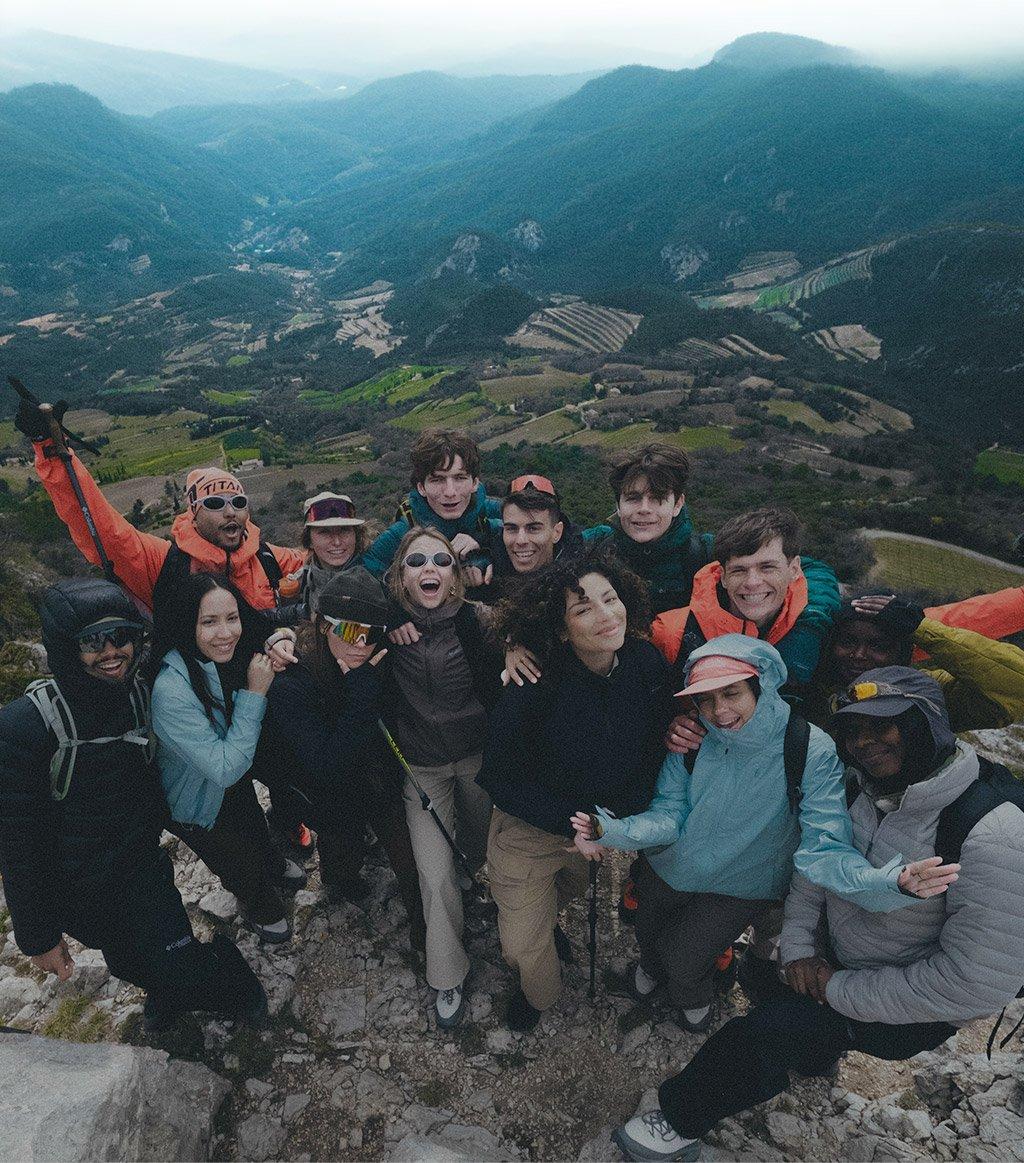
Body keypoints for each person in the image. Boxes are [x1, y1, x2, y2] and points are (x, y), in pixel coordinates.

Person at [612, 667, 1024, 1163]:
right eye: (853, 731)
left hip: (907, 1003)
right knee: (767, 984)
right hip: (833, 954)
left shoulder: (992, 833)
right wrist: (802, 946)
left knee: (756, 1040)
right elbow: (816, 865)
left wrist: (834, 990)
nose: (865, 743)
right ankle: (814, 1057)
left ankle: (678, 1121)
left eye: (883, 725)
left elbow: (974, 982)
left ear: (928, 722)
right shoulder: (860, 787)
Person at [570, 636, 956, 1034]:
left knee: (684, 955)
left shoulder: (807, 747)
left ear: (761, 684)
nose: (719, 711)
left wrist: (885, 882)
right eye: (705, 698)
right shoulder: (691, 739)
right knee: (648, 931)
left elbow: (823, 843)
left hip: (743, 884)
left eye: (731, 692)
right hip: (672, 866)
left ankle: (693, 998)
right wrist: (610, 830)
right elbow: (669, 815)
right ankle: (651, 971)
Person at [0, 578, 266, 1032]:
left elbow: (207, 642)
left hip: (138, 867)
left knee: (175, 955)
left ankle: (237, 991)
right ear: (64, 647)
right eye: (92, 641)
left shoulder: (142, 692)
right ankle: (167, 991)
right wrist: (38, 936)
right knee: (126, 962)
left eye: (122, 636)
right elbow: (16, 842)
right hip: (72, 887)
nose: (111, 652)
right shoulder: (26, 726)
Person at [478, 548, 674, 1032]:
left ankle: (548, 925)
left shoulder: (645, 663)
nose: (607, 616)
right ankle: (538, 995)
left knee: (564, 893)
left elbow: (652, 747)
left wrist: (618, 820)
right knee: (520, 945)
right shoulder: (535, 681)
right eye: (584, 608)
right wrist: (575, 822)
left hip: (600, 829)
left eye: (611, 599)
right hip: (532, 827)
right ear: (562, 630)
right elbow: (499, 775)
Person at [259, 568, 426, 949]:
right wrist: (362, 690)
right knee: (340, 863)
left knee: (410, 865)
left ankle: (424, 928)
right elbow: (325, 765)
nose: (361, 644)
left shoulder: (379, 653)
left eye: (371, 633)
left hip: (378, 782)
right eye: (350, 631)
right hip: (327, 795)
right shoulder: (292, 682)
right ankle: (341, 879)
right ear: (321, 625)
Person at [382, 526, 502, 1028]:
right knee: (433, 875)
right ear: (400, 578)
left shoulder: (483, 622)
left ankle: (476, 888)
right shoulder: (384, 628)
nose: (428, 569)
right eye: (415, 562)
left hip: (478, 759)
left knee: (480, 848)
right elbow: (323, 621)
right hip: (421, 768)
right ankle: (448, 972)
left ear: (455, 575)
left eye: (440, 560)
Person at [151, 574, 305, 944]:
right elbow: (223, 768)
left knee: (254, 829)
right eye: (209, 622)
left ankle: (271, 864)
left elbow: (268, 629)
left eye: (231, 618)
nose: (226, 633)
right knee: (238, 865)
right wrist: (255, 693)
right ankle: (259, 903)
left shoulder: (219, 654)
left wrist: (281, 639)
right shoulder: (169, 690)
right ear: (187, 624)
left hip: (231, 783)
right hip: (193, 803)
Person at [579, 444, 838, 651]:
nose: (644, 509)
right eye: (633, 498)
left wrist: (809, 624)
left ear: (678, 503)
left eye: (657, 499)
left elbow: (812, 572)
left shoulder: (704, 551)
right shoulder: (594, 546)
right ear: (618, 503)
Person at [804, 590, 1024, 732]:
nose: (859, 655)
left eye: (878, 646)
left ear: (902, 654)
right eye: (848, 642)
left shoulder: (922, 695)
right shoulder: (804, 680)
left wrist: (922, 629)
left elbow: (1017, 686)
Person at [363, 428, 501, 587]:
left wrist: (485, 553)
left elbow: (528, 533)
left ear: (475, 483)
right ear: (421, 487)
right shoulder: (404, 530)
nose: (450, 492)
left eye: (459, 478)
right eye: (437, 480)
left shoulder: (488, 510)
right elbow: (365, 572)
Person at [278, 491, 368, 618]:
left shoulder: (375, 572)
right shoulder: (301, 584)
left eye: (344, 530)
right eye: (325, 532)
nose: (337, 542)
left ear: (356, 535)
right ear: (309, 541)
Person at [487, 474, 582, 583]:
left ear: (557, 532)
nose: (521, 540)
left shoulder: (579, 583)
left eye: (533, 529)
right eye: (512, 528)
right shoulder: (488, 572)